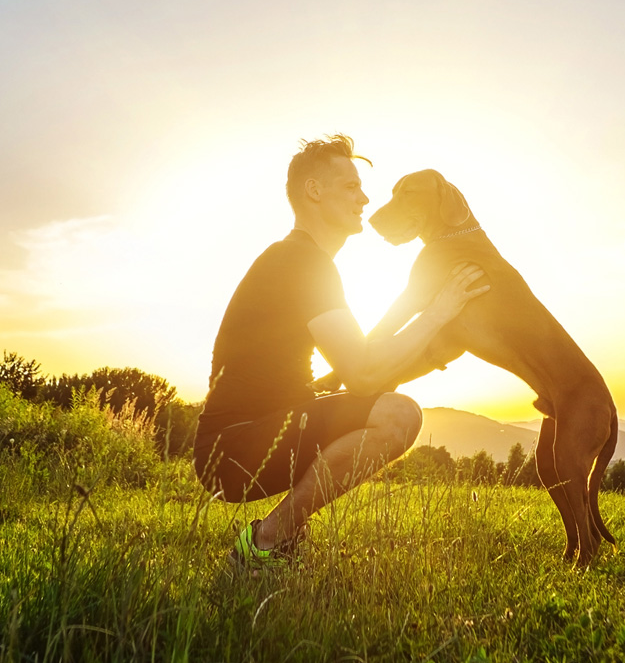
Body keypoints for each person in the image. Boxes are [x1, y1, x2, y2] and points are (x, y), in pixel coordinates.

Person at [196, 134, 488, 570]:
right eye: (351, 187)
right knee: (399, 415)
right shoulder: (300, 261)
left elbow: (362, 367)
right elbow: (364, 374)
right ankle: (264, 542)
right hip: (233, 448)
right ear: (314, 191)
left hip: (261, 434)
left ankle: (280, 537)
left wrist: (432, 350)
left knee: (385, 404)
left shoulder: (304, 261)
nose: (365, 198)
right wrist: (439, 312)